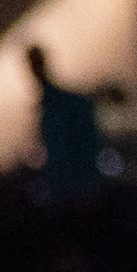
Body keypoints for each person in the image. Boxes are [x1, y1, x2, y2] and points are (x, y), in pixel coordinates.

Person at [24, 45, 105, 199]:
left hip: (73, 187)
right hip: (65, 186)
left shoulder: (66, 104)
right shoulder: (56, 103)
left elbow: (84, 145)